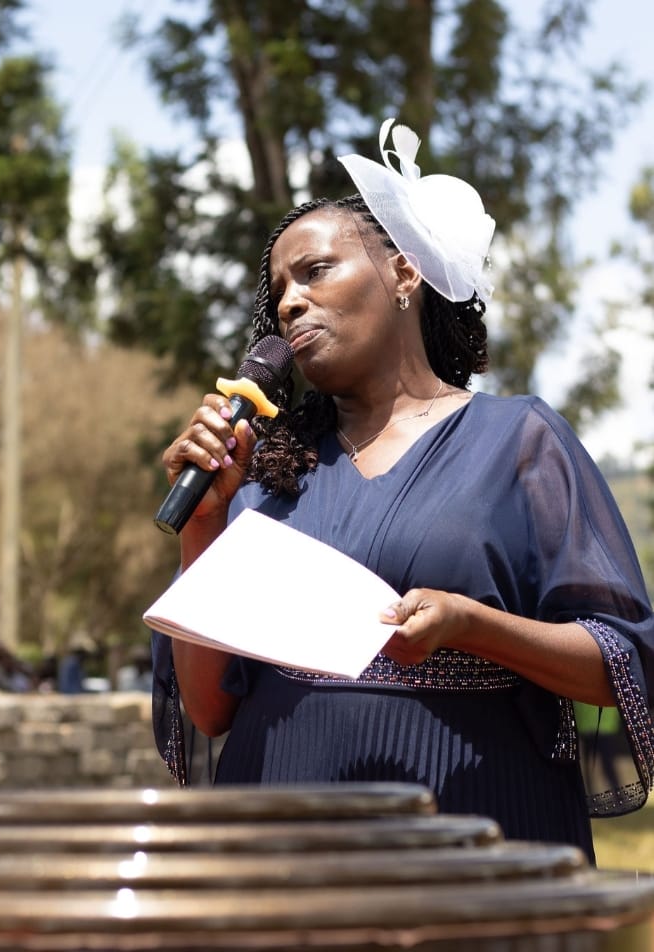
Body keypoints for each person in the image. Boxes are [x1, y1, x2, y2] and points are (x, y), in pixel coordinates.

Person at [151, 119, 654, 865]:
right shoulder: (266, 470)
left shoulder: (518, 442)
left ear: (404, 274)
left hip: (471, 831)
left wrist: (470, 625)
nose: (291, 302)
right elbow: (211, 707)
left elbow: (624, 663)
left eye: (316, 271)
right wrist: (207, 520)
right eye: (280, 290)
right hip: (277, 840)